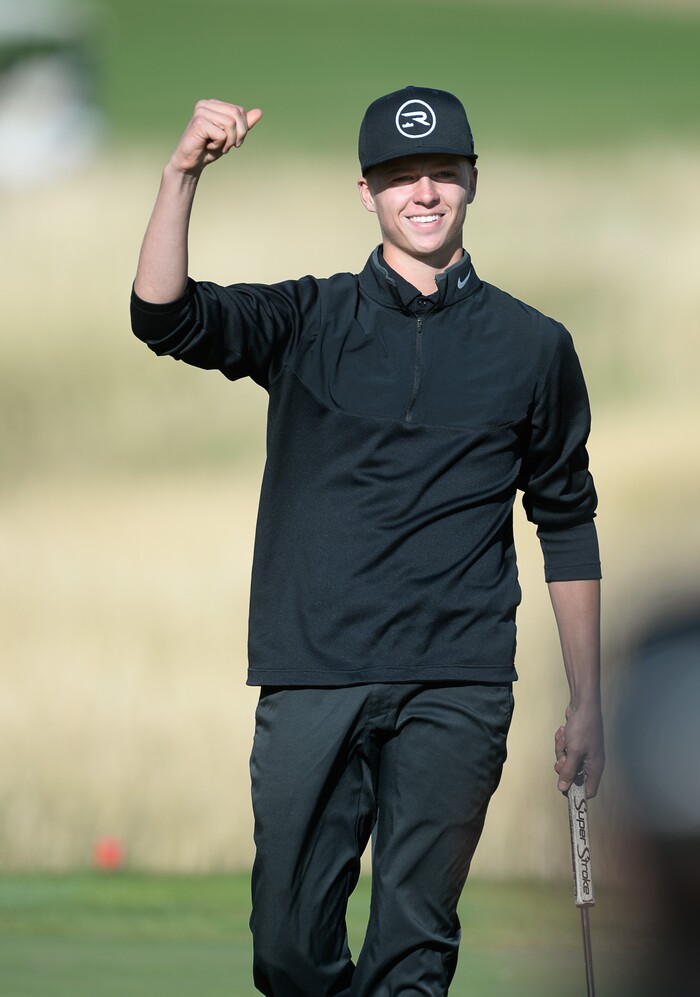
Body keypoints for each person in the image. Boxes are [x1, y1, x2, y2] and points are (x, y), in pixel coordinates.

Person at [131, 85, 604, 996]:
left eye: (440, 173)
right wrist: (181, 174)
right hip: (314, 672)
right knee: (287, 952)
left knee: (413, 957)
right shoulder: (307, 319)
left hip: (458, 683)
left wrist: (588, 700)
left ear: (471, 181)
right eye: (399, 177)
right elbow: (165, 316)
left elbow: (568, 520)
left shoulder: (533, 345)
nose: (422, 193)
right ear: (366, 193)